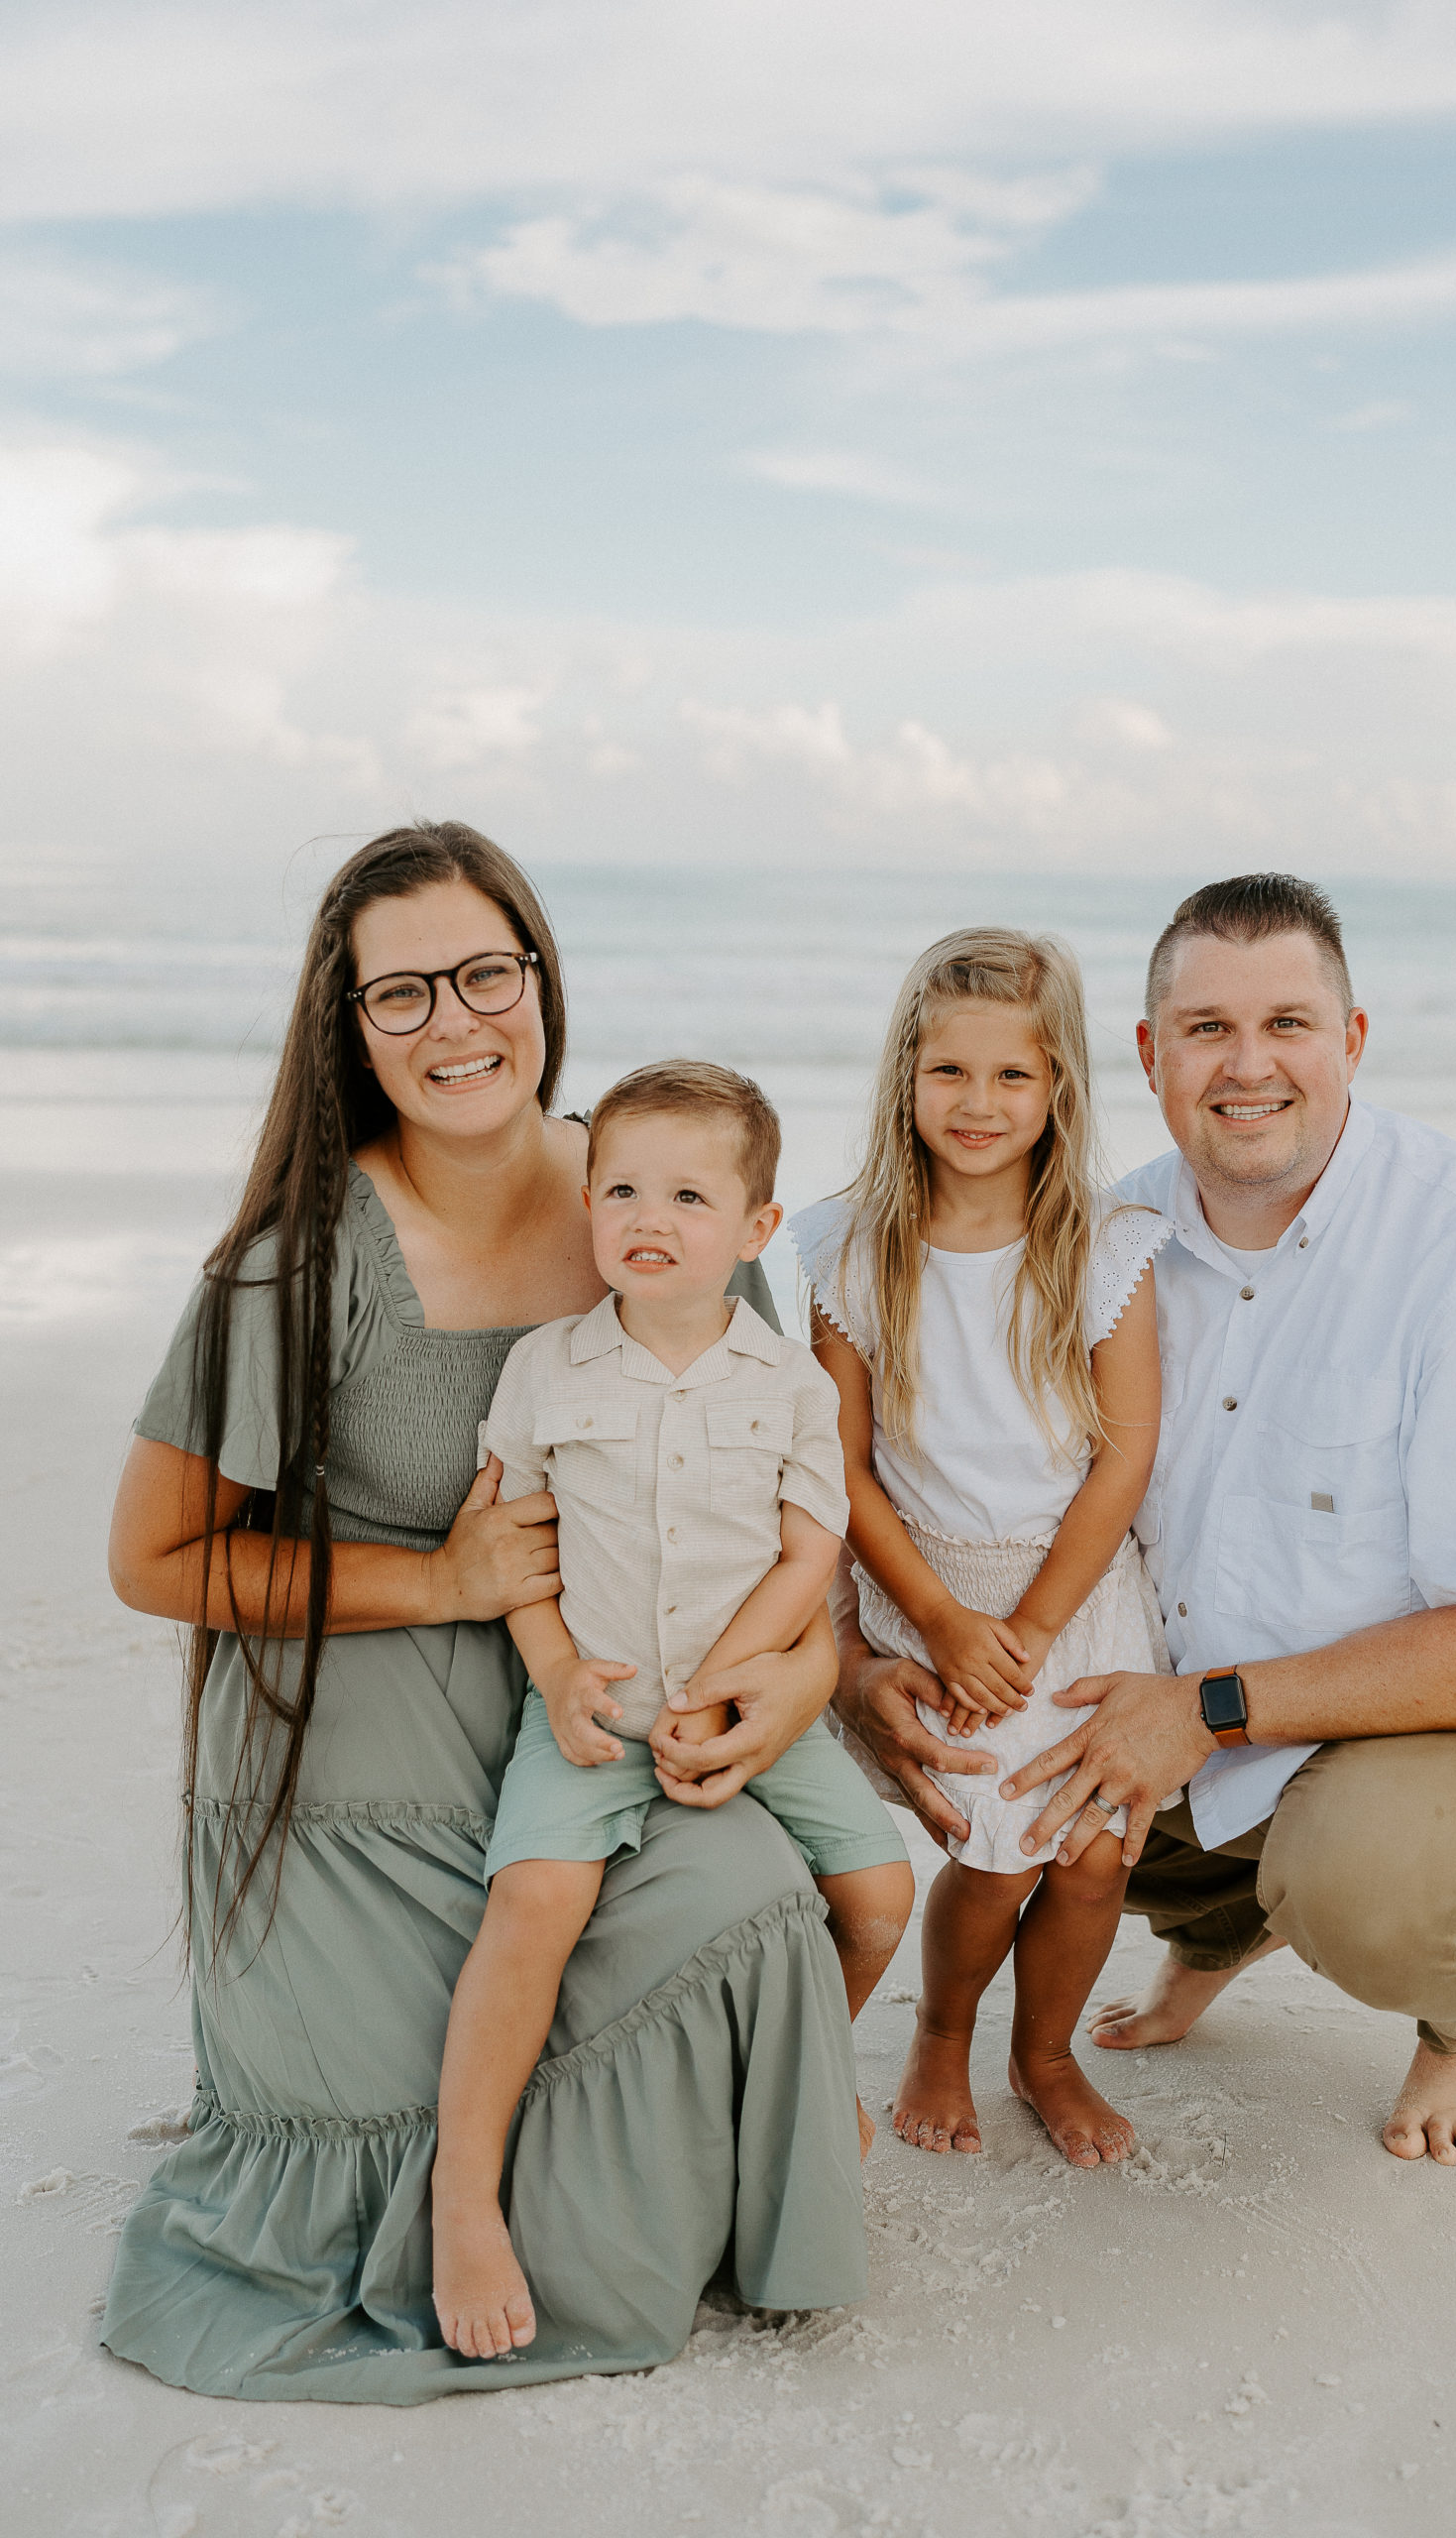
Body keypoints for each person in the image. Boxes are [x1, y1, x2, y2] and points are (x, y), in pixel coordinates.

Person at [101, 821, 871, 2404]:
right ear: (350, 1028)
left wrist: (800, 1684)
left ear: (538, 974)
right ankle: (474, 2198)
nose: (455, 1022)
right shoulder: (290, 1265)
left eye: (483, 971)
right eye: (401, 996)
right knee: (393, 2112)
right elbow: (156, 1561)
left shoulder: (669, 1197)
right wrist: (443, 1580)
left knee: (753, 1908)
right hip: (351, 1704)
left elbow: (777, 1519)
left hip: (605, 1692)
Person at [832, 873, 1456, 2169]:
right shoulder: (1098, 1240)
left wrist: (1203, 1710)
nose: (1245, 1065)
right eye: (1205, 1028)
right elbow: (930, 1469)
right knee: (1050, 1781)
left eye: (1285, 1023)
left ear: (1349, 1040)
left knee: (1377, 1884)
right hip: (1210, 1693)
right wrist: (859, 1670)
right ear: (1143, 1054)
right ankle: (1216, 1926)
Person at [432, 1061, 913, 2358]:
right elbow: (507, 1536)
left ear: (756, 1231)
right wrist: (551, 1675)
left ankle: (810, 2086)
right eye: (624, 1189)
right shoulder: (548, 1367)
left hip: (747, 1708)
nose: (651, 1217)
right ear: (588, 1206)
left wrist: (734, 1687)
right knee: (533, 1900)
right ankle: (462, 2197)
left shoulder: (789, 1384)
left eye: (691, 1196)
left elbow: (809, 1554)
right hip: (592, 1708)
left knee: (878, 1898)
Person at [793, 929, 1171, 2170]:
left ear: (1060, 1085)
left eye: (1014, 1076)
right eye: (950, 1072)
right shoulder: (850, 1249)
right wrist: (947, 1624)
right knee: (997, 1850)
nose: (980, 1103)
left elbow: (1122, 1458)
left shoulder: (1104, 1250)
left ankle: (1044, 2052)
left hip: (1074, 1590)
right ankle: (943, 2034)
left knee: (1098, 1855)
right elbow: (843, 1465)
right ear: (907, 1074)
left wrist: (1041, 1624)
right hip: (930, 1583)